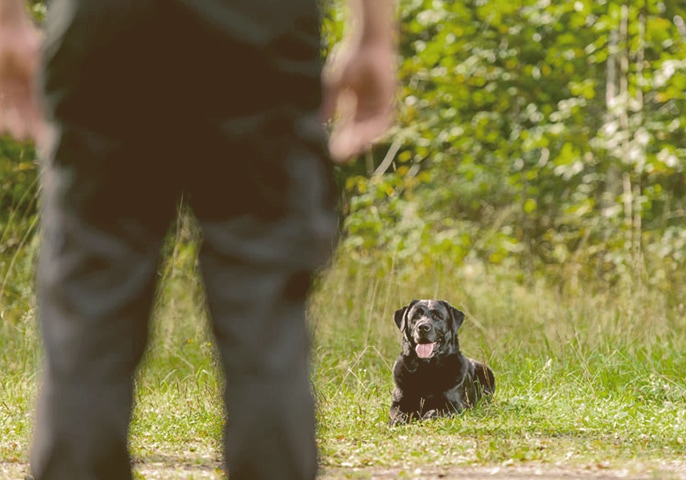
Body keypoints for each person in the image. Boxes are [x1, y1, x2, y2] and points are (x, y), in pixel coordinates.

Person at [0, 0, 396, 478]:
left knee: (93, 295)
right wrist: (373, 36)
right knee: (262, 300)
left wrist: (8, 21)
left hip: (106, 22)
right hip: (259, 30)